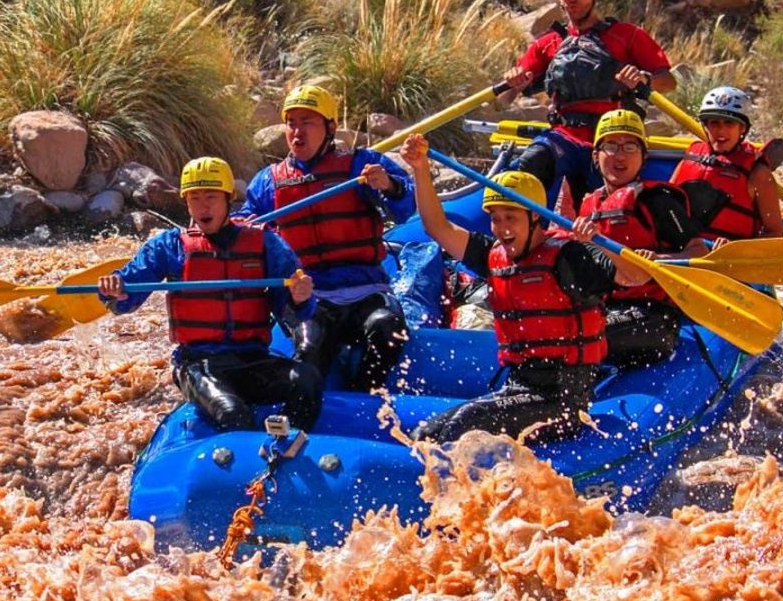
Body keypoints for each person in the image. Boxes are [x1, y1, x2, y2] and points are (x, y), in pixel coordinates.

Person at [398, 134, 649, 443]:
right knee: (429, 431)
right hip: (521, 387)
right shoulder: (494, 257)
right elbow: (438, 227)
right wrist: (420, 169)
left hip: (565, 397)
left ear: (534, 218)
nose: (502, 227)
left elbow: (636, 276)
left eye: (511, 218)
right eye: (495, 218)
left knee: (462, 425)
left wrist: (599, 243)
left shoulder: (569, 257)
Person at [97, 157, 322, 432]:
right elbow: (127, 296)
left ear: (228, 199)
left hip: (252, 358)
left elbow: (293, 311)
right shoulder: (170, 246)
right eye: (194, 198)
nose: (203, 206)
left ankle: (289, 440)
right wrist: (115, 291)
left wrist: (299, 298)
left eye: (211, 197)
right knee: (232, 412)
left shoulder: (265, 242)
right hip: (199, 363)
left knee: (307, 378)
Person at [240, 84, 416, 391]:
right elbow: (242, 224)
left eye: (307, 123)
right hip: (309, 296)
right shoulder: (269, 181)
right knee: (310, 347)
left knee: (386, 329)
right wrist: (246, 229)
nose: (297, 132)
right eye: (291, 124)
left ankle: (365, 396)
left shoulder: (360, 165)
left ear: (330, 128)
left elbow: (408, 207)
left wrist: (389, 186)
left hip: (365, 289)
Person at [501, 0, 676, 212]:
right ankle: (526, 236)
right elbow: (503, 99)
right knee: (532, 161)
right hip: (564, 138)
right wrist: (512, 82)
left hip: (612, 140)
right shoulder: (549, 43)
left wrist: (645, 79)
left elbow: (669, 82)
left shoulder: (627, 36)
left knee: (604, 205)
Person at [571, 110, 706, 368]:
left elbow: (698, 252)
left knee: (581, 335)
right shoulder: (589, 205)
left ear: (643, 157)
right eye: (611, 146)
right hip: (605, 309)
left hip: (654, 316)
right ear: (596, 156)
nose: (620, 155)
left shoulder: (658, 201)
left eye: (630, 146)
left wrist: (658, 259)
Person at [668, 86, 783, 242]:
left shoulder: (758, 173)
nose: (721, 130)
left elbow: (776, 235)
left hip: (728, 259)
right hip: (681, 252)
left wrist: (733, 249)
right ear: (705, 125)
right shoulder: (689, 158)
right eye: (714, 123)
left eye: (729, 123)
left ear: (742, 128)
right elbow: (666, 207)